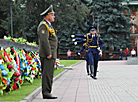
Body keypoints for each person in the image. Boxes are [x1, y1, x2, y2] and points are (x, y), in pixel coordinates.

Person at [37, 5, 58, 99]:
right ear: (47, 15)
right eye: (52, 14)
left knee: (49, 74)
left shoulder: (48, 25)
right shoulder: (43, 25)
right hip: (47, 55)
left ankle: (48, 92)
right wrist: (48, 53)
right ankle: (46, 93)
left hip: (51, 54)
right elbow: (44, 40)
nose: (54, 16)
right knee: (47, 74)